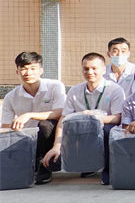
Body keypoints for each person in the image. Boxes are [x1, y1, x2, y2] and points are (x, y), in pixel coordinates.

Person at [43, 53, 127, 185]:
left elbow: (117, 118)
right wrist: (56, 146)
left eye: (94, 68)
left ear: (103, 69)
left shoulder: (114, 90)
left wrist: (93, 118)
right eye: (86, 69)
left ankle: (109, 170)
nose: (90, 72)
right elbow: (63, 119)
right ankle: (87, 165)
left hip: (102, 131)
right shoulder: (75, 91)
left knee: (109, 130)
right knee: (53, 163)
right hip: (81, 133)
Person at [1, 52, 65, 184]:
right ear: (17, 71)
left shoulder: (55, 86)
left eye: (32, 68)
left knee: (46, 124)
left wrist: (29, 115)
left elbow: (60, 112)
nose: (28, 73)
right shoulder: (11, 97)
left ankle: (44, 165)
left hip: (51, 137)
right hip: (26, 140)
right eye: (23, 69)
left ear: (41, 70)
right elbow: (6, 127)